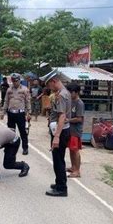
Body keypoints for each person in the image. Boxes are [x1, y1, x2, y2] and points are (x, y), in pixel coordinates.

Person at [42, 69, 71, 197]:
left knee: (58, 160)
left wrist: (57, 137)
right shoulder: (63, 93)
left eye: (49, 85)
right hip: (61, 130)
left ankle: (61, 188)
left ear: (54, 81)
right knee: (58, 159)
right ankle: (59, 182)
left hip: (61, 131)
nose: (49, 88)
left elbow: (62, 116)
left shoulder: (62, 95)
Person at [0, 74, 31, 155]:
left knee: (23, 132)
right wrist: (3, 112)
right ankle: (9, 148)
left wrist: (29, 113)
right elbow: (6, 101)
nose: (14, 83)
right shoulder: (9, 90)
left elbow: (28, 101)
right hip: (11, 114)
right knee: (10, 132)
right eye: (13, 81)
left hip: (20, 113)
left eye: (16, 81)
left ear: (19, 80)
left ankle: (25, 148)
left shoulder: (25, 89)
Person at [66, 83, 85, 178]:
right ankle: (73, 167)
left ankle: (77, 171)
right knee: (71, 149)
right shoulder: (70, 101)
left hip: (76, 130)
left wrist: (68, 120)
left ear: (76, 93)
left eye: (71, 92)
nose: (69, 94)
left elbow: (79, 118)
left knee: (75, 150)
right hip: (70, 129)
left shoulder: (79, 103)